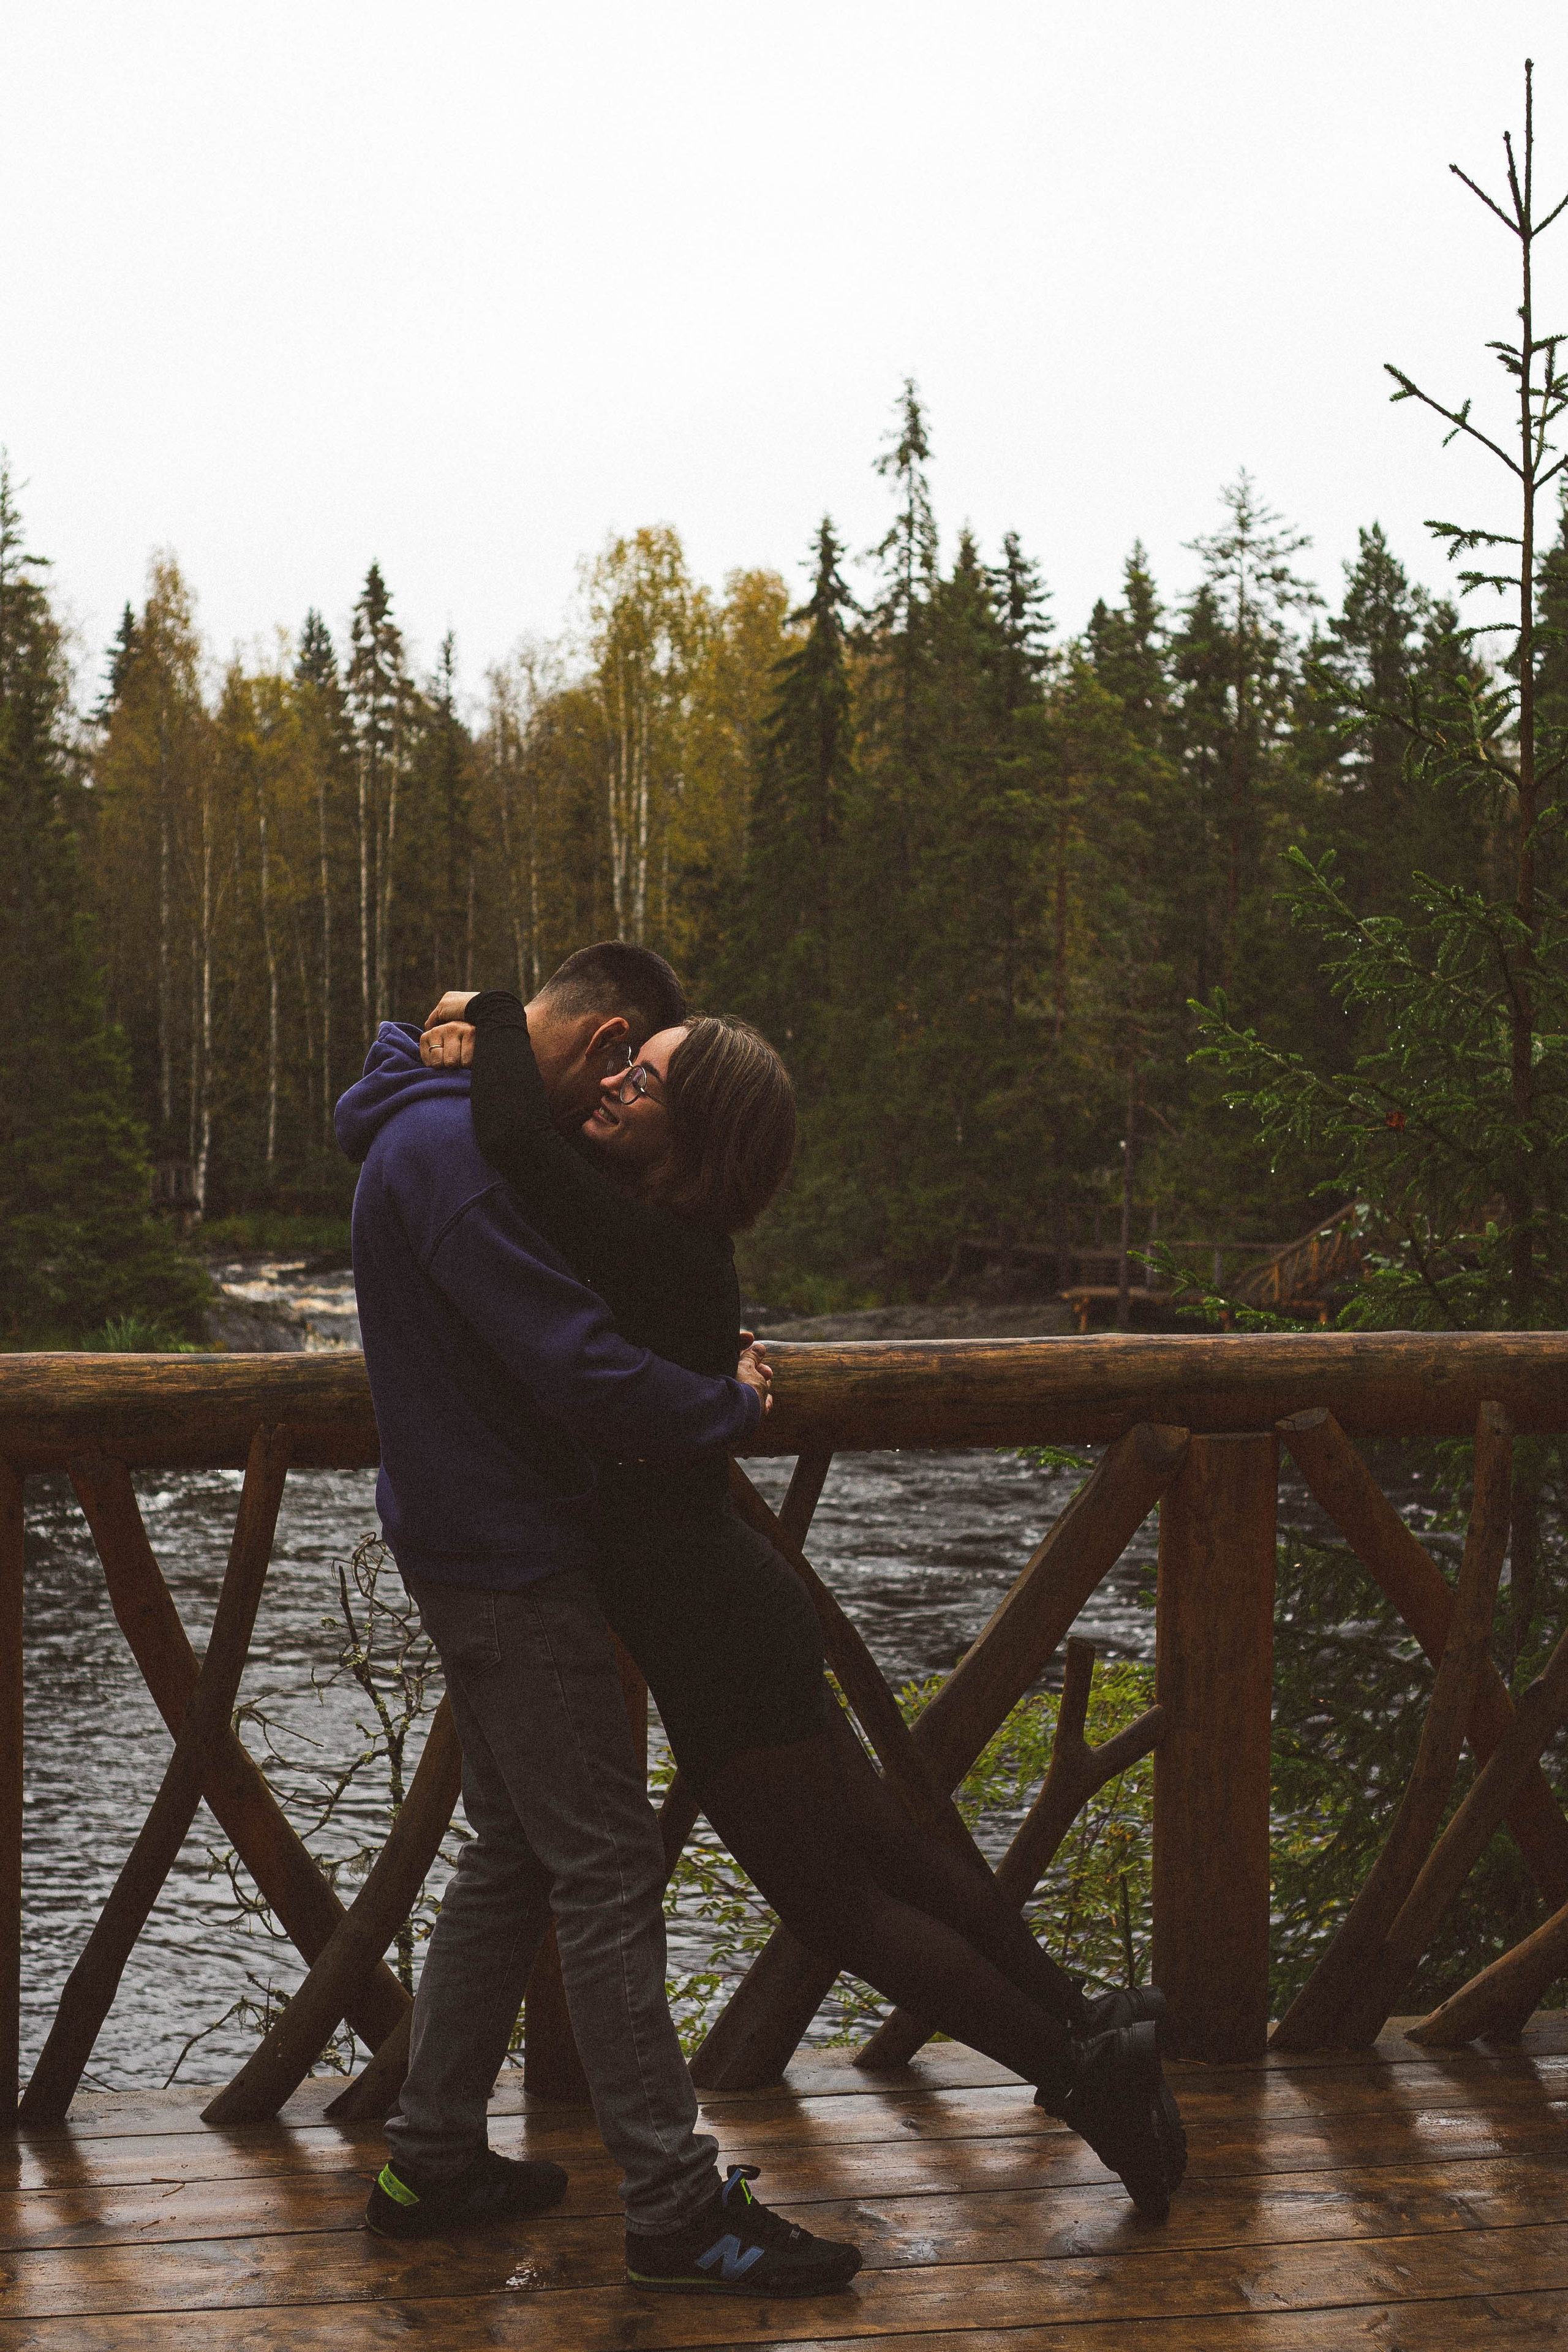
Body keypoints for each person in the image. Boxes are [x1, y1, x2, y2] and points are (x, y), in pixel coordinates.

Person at [419, 983, 1186, 2223]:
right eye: (618, 1072)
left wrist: (489, 1010)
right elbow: (539, 1144)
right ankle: (1084, 2017)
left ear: (694, 1137)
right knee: (893, 1848)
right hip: (732, 1599)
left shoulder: (647, 1245)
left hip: (713, 1624)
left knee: (838, 1905)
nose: (611, 1085)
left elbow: (512, 1135)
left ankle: (1080, 2075)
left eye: (646, 1081)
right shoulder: (666, 1241)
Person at [336, 941, 863, 2297]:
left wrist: (445, 1029)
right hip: (506, 1553)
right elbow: (575, 1362)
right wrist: (726, 1407)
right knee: (607, 1867)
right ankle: (677, 2209)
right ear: (603, 1039)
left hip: (471, 1536)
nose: (609, 1107)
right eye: (621, 1072)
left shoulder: (434, 1122)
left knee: (517, 1848)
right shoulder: (454, 1155)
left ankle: (433, 2157)